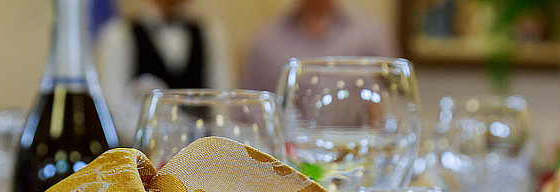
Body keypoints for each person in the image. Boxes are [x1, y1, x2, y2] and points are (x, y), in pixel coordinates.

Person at [93, 0, 233, 145]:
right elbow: (113, 112)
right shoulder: (118, 34)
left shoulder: (211, 33)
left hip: (200, 156)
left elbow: (222, 107)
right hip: (141, 157)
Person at [242, 0, 396, 93]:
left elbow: (394, 100)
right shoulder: (264, 41)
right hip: (284, 146)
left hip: (356, 145)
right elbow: (246, 114)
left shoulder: (370, 35)